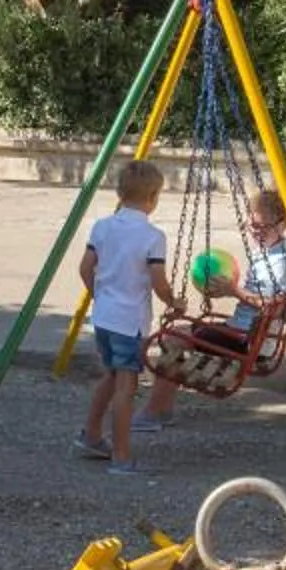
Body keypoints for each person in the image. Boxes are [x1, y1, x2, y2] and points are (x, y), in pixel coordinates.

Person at [139, 189, 286, 430]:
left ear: (283, 225)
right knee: (177, 332)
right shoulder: (269, 251)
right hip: (242, 330)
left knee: (173, 338)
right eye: (252, 225)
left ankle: (154, 414)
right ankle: (161, 409)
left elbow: (272, 308)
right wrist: (227, 289)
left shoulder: (279, 263)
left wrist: (233, 290)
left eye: (262, 227)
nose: (255, 232)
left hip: (247, 340)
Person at [75, 160, 183, 474]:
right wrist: (173, 301)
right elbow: (158, 281)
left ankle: (91, 434)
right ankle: (121, 456)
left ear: (120, 193)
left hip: (103, 318)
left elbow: (85, 268)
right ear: (153, 198)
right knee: (126, 386)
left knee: (110, 375)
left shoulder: (101, 227)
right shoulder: (152, 236)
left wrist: (101, 295)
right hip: (129, 322)